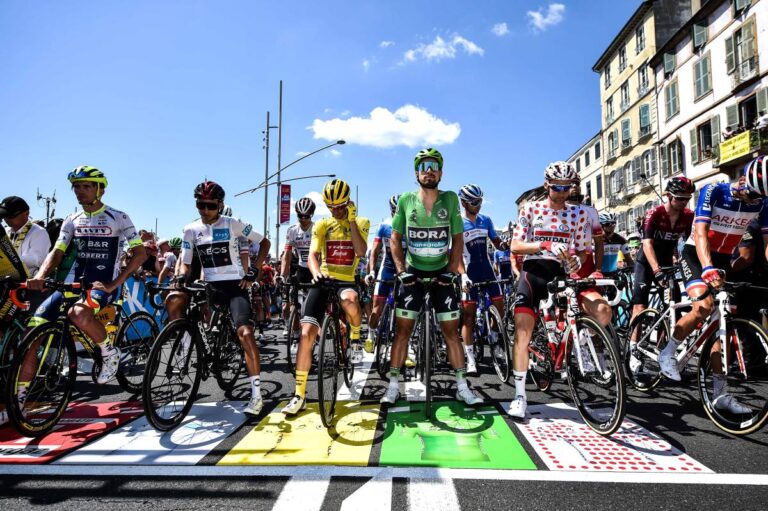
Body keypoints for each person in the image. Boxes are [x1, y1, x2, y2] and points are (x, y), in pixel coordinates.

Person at [660, 159, 768, 413]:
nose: (754, 201)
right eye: (751, 194)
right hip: (696, 254)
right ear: (743, 182)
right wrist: (707, 267)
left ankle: (720, 394)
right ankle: (668, 351)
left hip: (723, 258)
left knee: (720, 320)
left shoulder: (763, 201)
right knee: (705, 305)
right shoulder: (714, 191)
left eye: (759, 198)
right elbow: (700, 232)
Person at [380, 148, 484, 406]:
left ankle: (462, 386)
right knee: (402, 332)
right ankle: (393, 386)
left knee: (451, 332)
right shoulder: (405, 200)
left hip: (442, 274)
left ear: (441, 171)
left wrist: (451, 272)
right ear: (416, 172)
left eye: (434, 166)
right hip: (412, 273)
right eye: (424, 166)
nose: (429, 170)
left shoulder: (449, 199)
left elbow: (458, 239)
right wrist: (402, 270)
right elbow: (395, 239)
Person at [27, 166, 147, 386]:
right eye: (76, 187)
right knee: (33, 332)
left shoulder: (119, 217)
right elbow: (57, 252)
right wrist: (41, 275)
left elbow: (141, 254)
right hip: (72, 283)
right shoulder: (72, 219)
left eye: (86, 187)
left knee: (78, 313)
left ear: (99, 189)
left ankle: (110, 354)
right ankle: (19, 399)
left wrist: (114, 285)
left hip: (102, 285)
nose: (80, 191)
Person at [169, 180, 270, 415]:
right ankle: (188, 342)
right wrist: (181, 278)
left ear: (220, 205)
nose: (205, 210)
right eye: (200, 205)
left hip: (235, 286)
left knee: (245, 333)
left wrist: (254, 271)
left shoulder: (233, 224)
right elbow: (185, 265)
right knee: (177, 298)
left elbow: (265, 242)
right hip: (210, 286)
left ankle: (256, 395)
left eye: (210, 206)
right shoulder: (190, 230)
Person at [509, 161, 591, 418]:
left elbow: (581, 249)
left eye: (568, 187)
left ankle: (573, 352)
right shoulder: (530, 208)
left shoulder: (578, 213)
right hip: (534, 272)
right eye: (557, 187)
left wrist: (577, 260)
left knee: (582, 312)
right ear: (547, 185)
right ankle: (520, 395)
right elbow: (516, 245)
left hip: (561, 272)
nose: (562, 192)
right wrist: (544, 244)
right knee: (523, 331)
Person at [281, 179, 369, 415]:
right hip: (324, 278)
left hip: (347, 280)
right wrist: (317, 273)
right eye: (331, 206)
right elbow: (312, 255)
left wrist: (350, 220)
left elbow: (361, 251)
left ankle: (356, 338)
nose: (335, 210)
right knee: (307, 333)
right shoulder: (322, 225)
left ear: (349, 203)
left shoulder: (361, 222)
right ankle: (299, 395)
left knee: (351, 300)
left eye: (340, 206)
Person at [628, 177, 695, 373]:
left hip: (667, 262)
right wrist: (656, 270)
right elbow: (647, 244)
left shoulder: (688, 215)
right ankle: (633, 350)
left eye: (687, 199)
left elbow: (689, 243)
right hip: (646, 262)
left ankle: (662, 350)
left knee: (671, 308)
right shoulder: (654, 213)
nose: (684, 203)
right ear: (668, 196)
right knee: (640, 306)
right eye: (679, 198)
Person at [457, 184, 509, 375]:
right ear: (463, 203)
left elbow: (497, 243)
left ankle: (495, 339)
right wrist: (462, 276)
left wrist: (506, 244)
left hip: (487, 270)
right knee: (469, 318)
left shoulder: (486, 220)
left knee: (500, 308)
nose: (478, 205)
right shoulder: (457, 222)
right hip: (469, 273)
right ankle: (470, 358)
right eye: (473, 202)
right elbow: (455, 254)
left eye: (480, 201)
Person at [364, 195, 408, 356]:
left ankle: (408, 347)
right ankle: (371, 335)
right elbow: (374, 251)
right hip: (387, 269)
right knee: (376, 309)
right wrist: (371, 272)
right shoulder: (384, 226)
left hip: (405, 269)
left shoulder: (410, 225)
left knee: (407, 312)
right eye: (395, 211)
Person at [279, 197, 316, 337]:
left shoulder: (317, 228)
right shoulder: (292, 231)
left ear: (311, 215)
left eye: (306, 216)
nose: (303, 219)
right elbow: (287, 255)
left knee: (315, 305)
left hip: (314, 270)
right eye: (300, 215)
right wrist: (283, 275)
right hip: (301, 268)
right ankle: (295, 334)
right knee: (295, 303)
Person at [0, 196, 51, 277]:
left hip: (27, 283)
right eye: (3, 215)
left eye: (10, 215)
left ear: (26, 213)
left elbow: (39, 259)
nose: (6, 219)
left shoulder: (38, 232)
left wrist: (9, 260)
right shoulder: (5, 232)